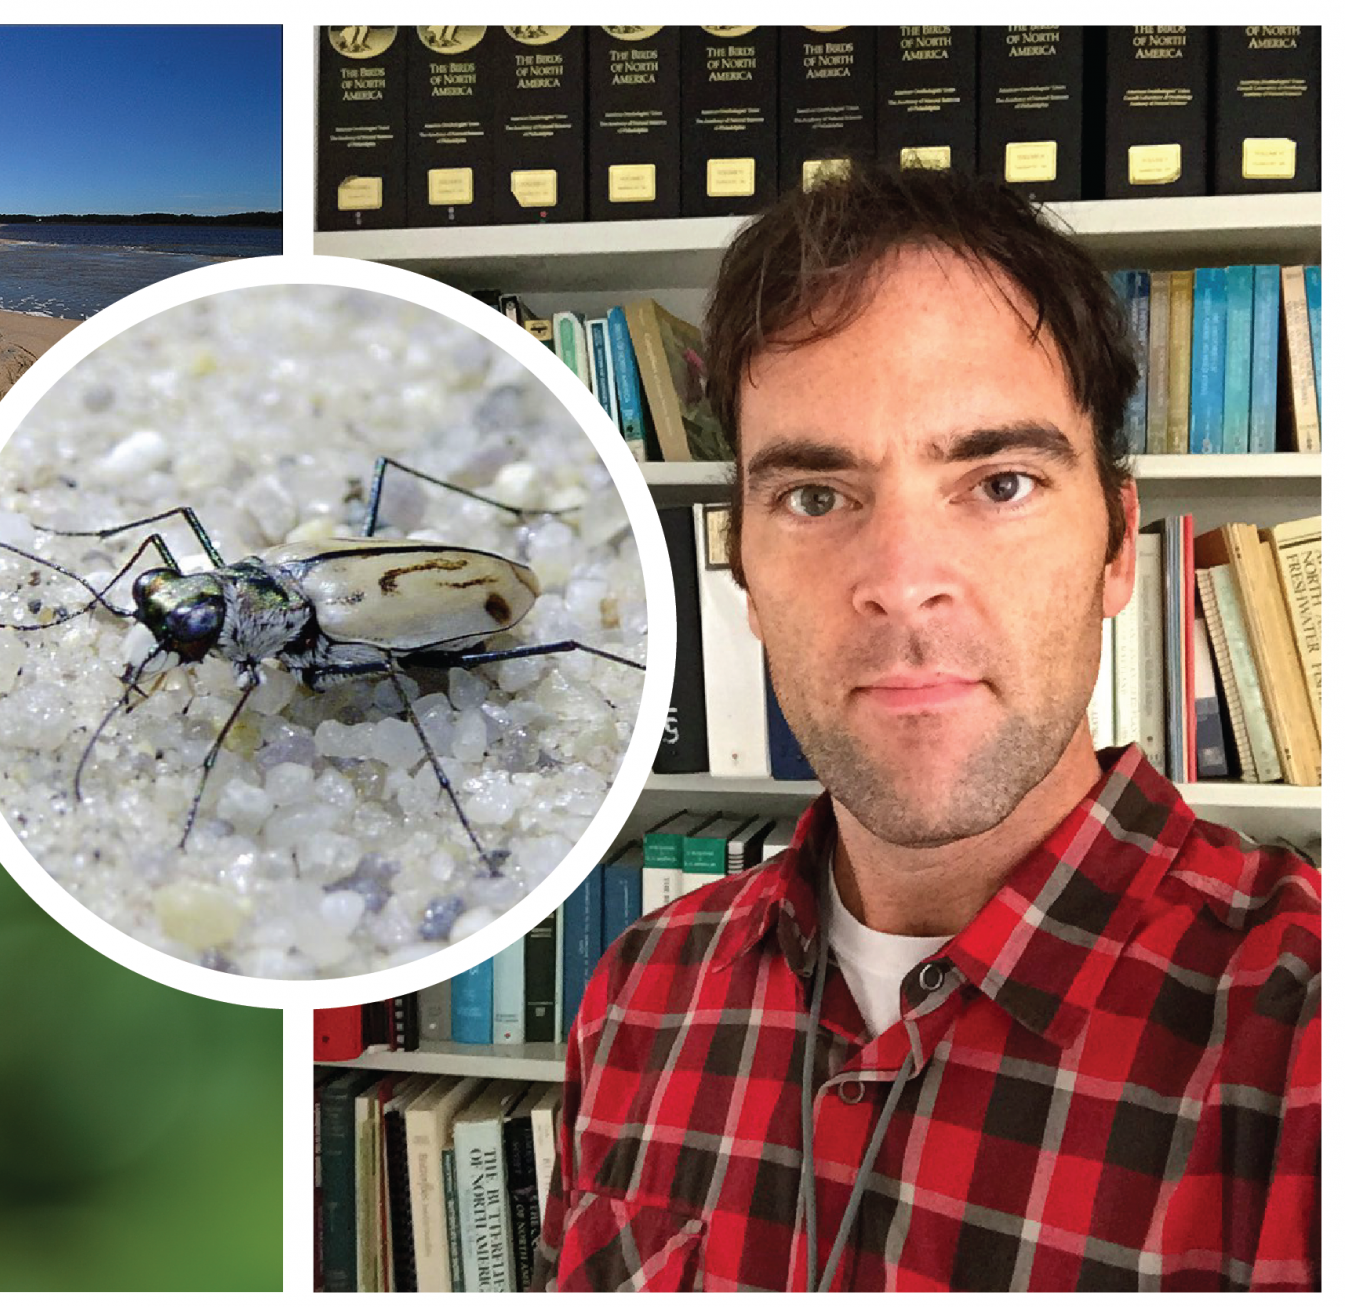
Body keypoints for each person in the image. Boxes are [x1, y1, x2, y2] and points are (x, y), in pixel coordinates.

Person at [533, 166, 1319, 1291]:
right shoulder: (638, 992)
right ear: (742, 570)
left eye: (998, 482)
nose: (900, 584)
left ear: (1113, 546)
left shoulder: (1300, 1043)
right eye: (814, 495)